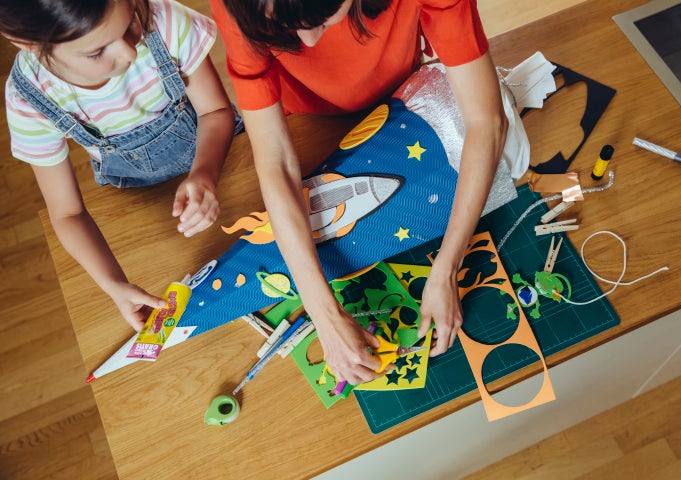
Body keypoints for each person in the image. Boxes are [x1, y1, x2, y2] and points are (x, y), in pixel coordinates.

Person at [209, 0, 508, 385]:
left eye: (317, 19)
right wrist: (325, 315)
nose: (307, 41)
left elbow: (486, 120)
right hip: (306, 123)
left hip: (402, 92)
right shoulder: (244, 4)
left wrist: (448, 266)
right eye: (283, 29)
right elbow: (277, 164)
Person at [2, 0, 242, 331]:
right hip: (137, 196)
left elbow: (214, 112)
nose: (129, 52)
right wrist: (113, 284)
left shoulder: (163, 19)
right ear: (29, 45)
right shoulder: (28, 99)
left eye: (130, 21)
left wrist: (204, 173)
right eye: (97, 51)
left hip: (221, 156)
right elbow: (67, 213)